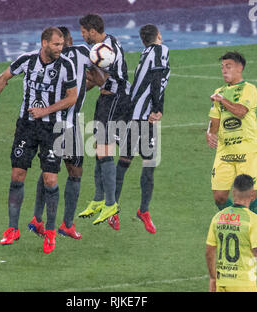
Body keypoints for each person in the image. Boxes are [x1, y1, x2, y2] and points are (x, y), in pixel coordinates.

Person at [0, 27, 77, 253]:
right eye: (56, 44)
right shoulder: (26, 60)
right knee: (17, 174)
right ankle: (12, 229)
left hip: (53, 127)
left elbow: (71, 98)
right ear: (44, 42)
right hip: (26, 126)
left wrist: (46, 110)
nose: (60, 48)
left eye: (61, 44)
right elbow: (3, 78)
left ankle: (51, 232)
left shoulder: (66, 65)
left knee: (50, 180)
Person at [28, 26, 92, 240]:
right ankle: (66, 224)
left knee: (49, 170)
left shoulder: (50, 62)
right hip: (66, 125)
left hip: (52, 124)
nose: (63, 46)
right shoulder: (80, 53)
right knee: (74, 173)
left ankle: (37, 218)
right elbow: (101, 72)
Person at [109, 24, 170, 233]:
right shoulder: (161, 50)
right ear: (158, 36)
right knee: (148, 163)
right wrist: (157, 108)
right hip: (143, 117)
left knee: (126, 161)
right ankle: (141, 209)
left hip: (134, 114)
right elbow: (157, 79)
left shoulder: (146, 53)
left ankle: (114, 208)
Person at [76, 13, 131, 225]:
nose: (82, 35)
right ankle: (99, 199)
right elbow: (97, 81)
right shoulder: (107, 44)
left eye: (83, 32)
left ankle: (111, 203)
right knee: (100, 150)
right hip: (106, 100)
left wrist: (89, 74)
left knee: (104, 149)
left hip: (116, 100)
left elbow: (102, 79)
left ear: (92, 30)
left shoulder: (103, 51)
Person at [206, 51, 257, 216]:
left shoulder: (249, 89)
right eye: (222, 67)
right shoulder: (219, 91)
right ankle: (234, 221)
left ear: (240, 68)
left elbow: (241, 111)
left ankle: (253, 227)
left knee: (250, 196)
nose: (224, 70)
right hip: (224, 152)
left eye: (228, 66)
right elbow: (214, 120)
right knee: (219, 197)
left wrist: (222, 99)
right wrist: (210, 133)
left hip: (246, 151)